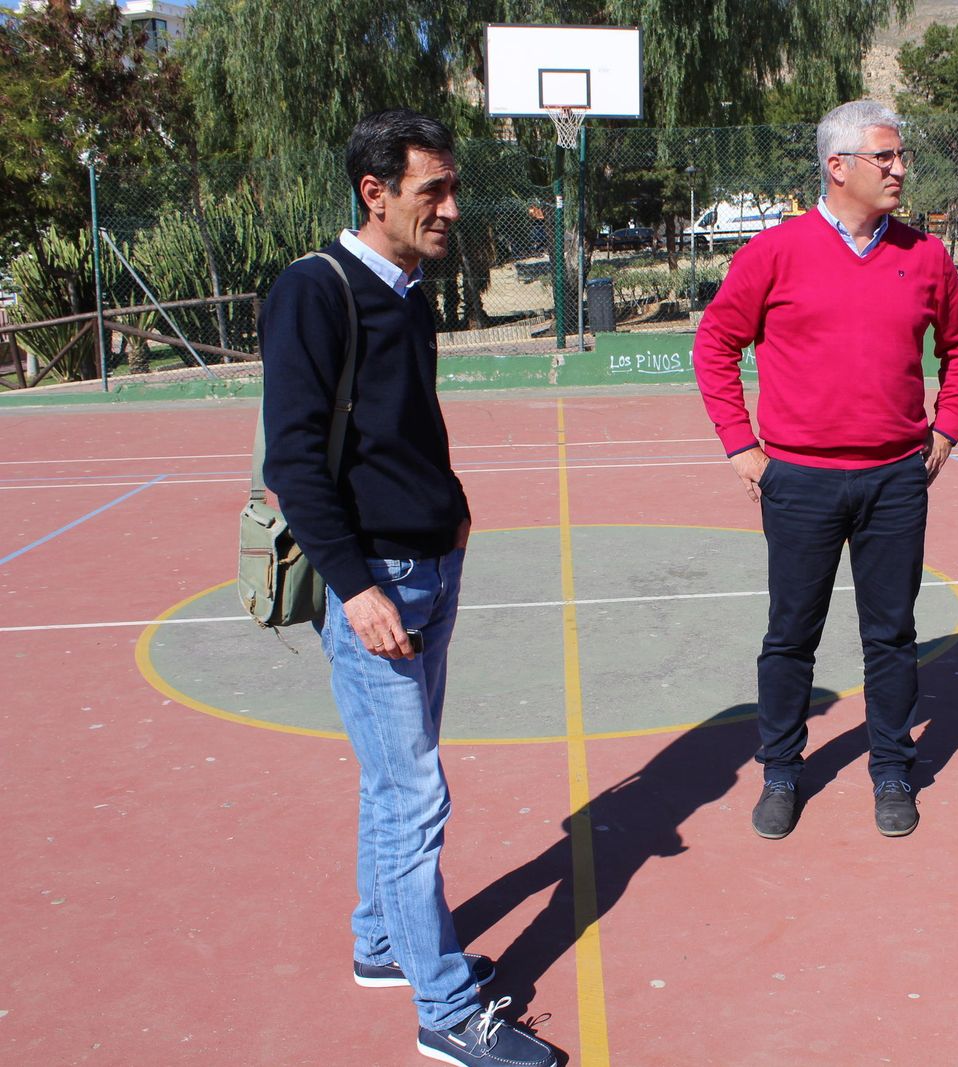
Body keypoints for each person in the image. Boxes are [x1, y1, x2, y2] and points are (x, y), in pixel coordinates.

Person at [262, 109, 556, 1066]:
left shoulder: (409, 290)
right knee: (415, 793)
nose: (452, 208)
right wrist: (354, 587)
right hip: (377, 581)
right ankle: (446, 1009)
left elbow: (408, 423)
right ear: (374, 191)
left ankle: (380, 941)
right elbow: (295, 463)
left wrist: (455, 503)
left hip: (434, 562)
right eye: (434, 191)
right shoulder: (316, 291)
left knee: (397, 778)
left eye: (452, 187)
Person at [693, 99, 958, 840]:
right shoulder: (773, 252)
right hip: (798, 481)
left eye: (899, 155)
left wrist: (946, 427)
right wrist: (740, 444)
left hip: (895, 480)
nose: (899, 168)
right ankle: (782, 770)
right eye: (884, 156)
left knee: (891, 633)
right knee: (791, 634)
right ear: (838, 166)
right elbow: (715, 344)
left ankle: (891, 767)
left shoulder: (924, 255)